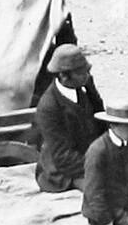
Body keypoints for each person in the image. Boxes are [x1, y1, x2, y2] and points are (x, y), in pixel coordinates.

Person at [33, 44, 105, 193]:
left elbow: (101, 122)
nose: (88, 75)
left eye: (88, 71)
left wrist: (92, 92)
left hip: (87, 161)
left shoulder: (81, 90)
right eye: (82, 73)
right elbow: (62, 157)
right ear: (64, 76)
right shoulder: (49, 107)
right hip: (63, 174)